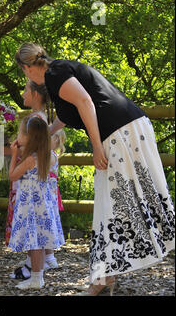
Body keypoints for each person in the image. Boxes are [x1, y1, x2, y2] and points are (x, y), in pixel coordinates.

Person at [15, 42, 175, 295]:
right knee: (114, 204)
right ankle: (105, 277)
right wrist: (46, 133)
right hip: (128, 128)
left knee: (109, 205)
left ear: (26, 68)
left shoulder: (54, 74)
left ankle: (101, 280)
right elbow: (68, 115)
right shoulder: (57, 73)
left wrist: (97, 146)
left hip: (118, 133)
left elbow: (86, 103)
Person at [7, 81, 64, 281]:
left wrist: (13, 153)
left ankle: (35, 269)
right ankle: (37, 267)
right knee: (36, 234)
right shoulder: (44, 154)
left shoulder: (36, 121)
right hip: (39, 197)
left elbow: (13, 174)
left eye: (25, 89)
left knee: (33, 236)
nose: (22, 93)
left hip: (30, 198)